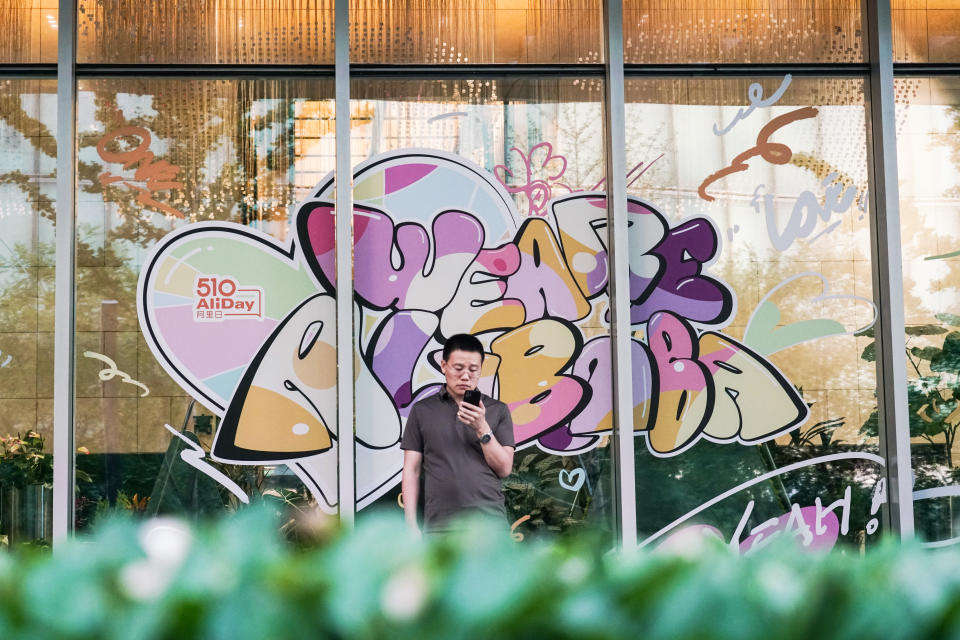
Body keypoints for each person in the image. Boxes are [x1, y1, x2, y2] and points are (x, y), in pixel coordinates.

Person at [400, 333, 515, 535]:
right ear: (444, 366)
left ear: (481, 370)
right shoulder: (422, 410)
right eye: (458, 368)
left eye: (473, 369)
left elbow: (504, 468)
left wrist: (481, 427)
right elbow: (411, 470)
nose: (465, 376)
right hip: (440, 528)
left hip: (489, 525)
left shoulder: (497, 410)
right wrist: (411, 525)